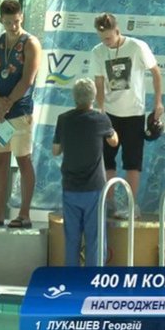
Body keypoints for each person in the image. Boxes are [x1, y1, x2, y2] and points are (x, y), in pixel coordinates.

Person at [0, 0, 41, 229]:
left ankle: (24, 214)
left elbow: (27, 79)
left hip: (19, 110)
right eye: (8, 22)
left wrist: (7, 104)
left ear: (22, 17)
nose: (13, 26)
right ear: (0, 20)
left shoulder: (31, 43)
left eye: (16, 22)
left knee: (23, 160)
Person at [90, 13, 164, 218]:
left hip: (134, 113)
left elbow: (156, 73)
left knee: (133, 162)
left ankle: (131, 205)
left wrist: (158, 102)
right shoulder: (97, 52)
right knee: (107, 160)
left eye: (108, 37)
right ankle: (110, 203)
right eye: (102, 38)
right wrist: (100, 109)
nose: (106, 42)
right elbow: (98, 82)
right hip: (109, 114)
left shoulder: (137, 47)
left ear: (117, 31)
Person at [52, 78, 119, 267]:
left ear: (74, 97)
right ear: (93, 97)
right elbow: (114, 142)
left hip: (70, 188)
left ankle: (72, 280)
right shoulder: (101, 119)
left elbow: (55, 150)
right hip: (94, 189)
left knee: (71, 239)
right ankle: (93, 280)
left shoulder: (64, 119)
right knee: (95, 239)